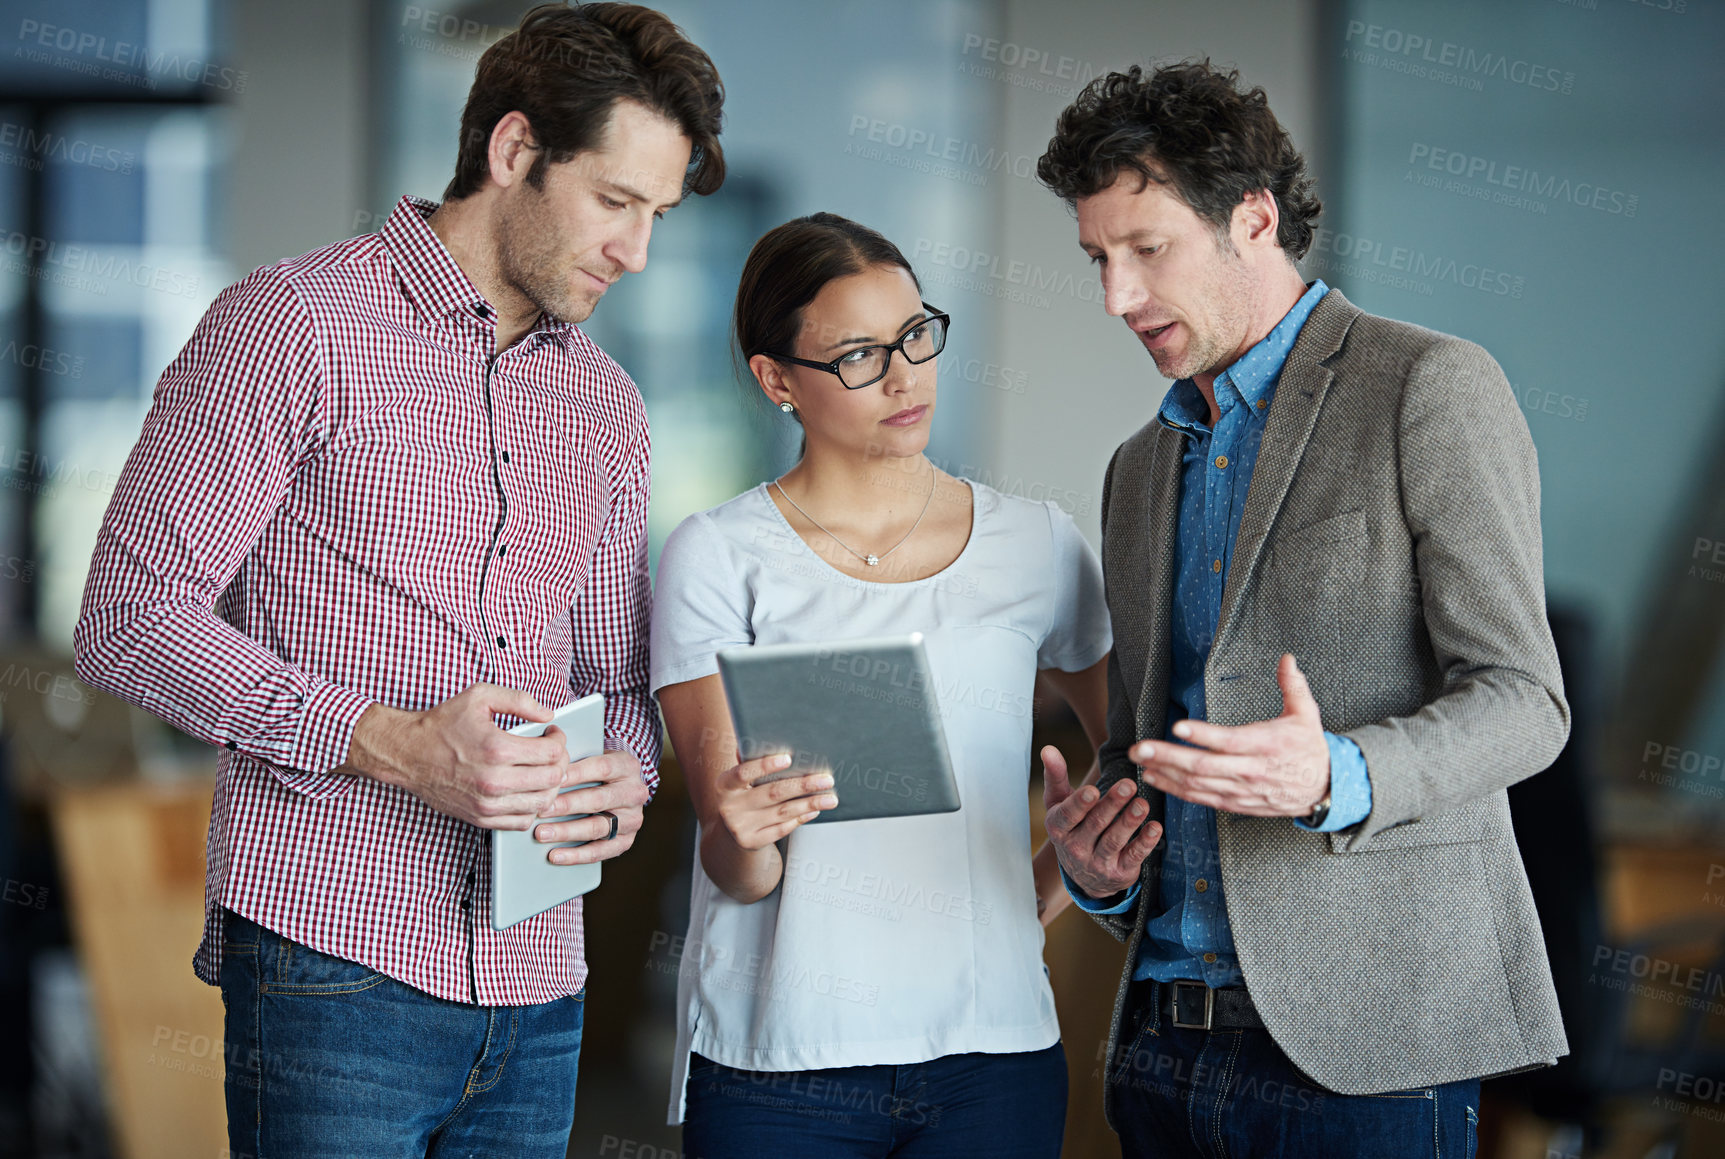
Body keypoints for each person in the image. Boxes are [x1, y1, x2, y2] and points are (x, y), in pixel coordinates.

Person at [70, 5, 724, 1155]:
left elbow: (617, 679)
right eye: (617, 203)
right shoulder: (291, 325)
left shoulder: (609, 407)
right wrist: (391, 741)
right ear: (513, 150)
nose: (638, 252)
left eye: (657, 216)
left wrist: (623, 778)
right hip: (332, 956)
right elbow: (129, 620)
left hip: (538, 978)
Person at [1034, 61, 1570, 1157]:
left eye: (1147, 250)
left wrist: (1340, 774)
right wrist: (1098, 872)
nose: (1116, 299)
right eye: (1097, 258)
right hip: (1161, 1045)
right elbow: (1156, 745)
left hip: (1367, 1052)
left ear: (1254, 218)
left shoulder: (1430, 386)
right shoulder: (1139, 467)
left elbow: (1526, 700)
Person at [650, 212, 1112, 1157]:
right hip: (777, 1061)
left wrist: (1045, 884)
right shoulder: (718, 556)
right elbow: (737, 861)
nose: (905, 375)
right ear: (776, 379)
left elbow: (1132, 754)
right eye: (859, 355)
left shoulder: (1036, 543)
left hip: (992, 1053)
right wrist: (736, 834)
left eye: (914, 335)